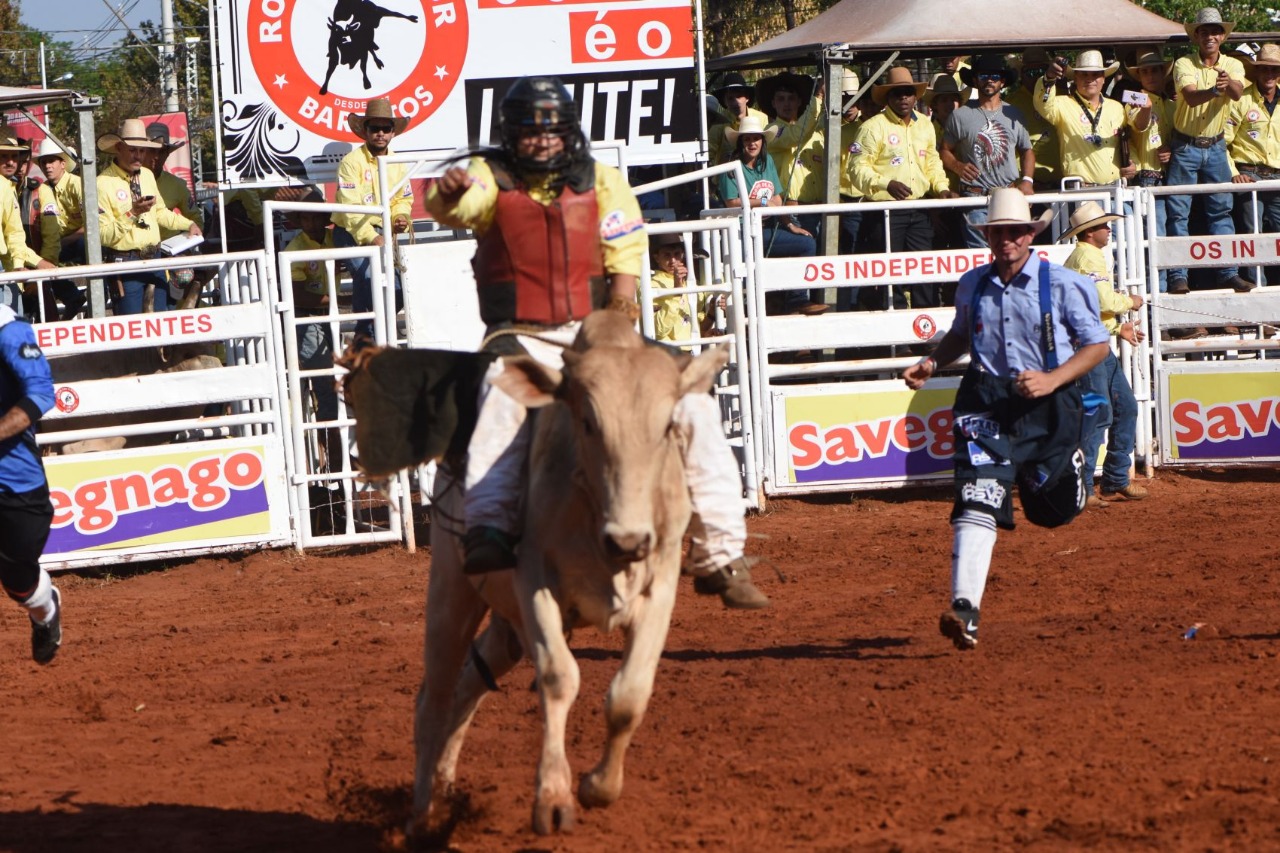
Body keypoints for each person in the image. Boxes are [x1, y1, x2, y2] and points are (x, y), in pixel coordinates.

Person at [425, 76, 769, 609]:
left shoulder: (601, 180)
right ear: (510, 133)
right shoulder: (485, 177)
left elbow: (625, 250)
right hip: (518, 337)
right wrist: (448, 194)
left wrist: (619, 328)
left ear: (567, 132)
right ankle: (488, 529)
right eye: (530, 130)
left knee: (690, 402)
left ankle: (719, 552)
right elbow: (456, 206)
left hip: (596, 332)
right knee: (500, 403)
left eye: (551, 129)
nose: (542, 140)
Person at [901, 188, 1109, 651]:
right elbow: (960, 334)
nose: (1007, 240)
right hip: (985, 401)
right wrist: (933, 363)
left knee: (1052, 512)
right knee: (976, 497)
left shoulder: (1062, 284)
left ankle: (1064, 466)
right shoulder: (973, 284)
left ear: (1030, 235)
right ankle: (965, 608)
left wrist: (1053, 380)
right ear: (988, 237)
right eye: (998, 232)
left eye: (1015, 231)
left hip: (1047, 403)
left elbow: (1097, 345)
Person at [1060, 201, 1148, 505]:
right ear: (1089, 233)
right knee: (1102, 414)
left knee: (1124, 408)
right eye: (1102, 226)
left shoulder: (1086, 256)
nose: (1108, 229)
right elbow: (1098, 300)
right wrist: (1128, 302)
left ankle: (1113, 480)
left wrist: (1115, 329)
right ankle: (1085, 487)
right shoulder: (1088, 257)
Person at [849, 66, 956, 309]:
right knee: (889, 271)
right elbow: (856, 169)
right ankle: (897, 334)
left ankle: (925, 329)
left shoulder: (925, 126)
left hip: (920, 208)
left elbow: (932, 163)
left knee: (924, 269)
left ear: (915, 96)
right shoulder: (872, 127)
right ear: (888, 98)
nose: (904, 98)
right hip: (884, 211)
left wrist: (941, 188)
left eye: (908, 93)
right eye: (897, 94)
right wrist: (886, 184)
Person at [1165, 7, 1252, 295]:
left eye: (1215, 31)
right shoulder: (1183, 63)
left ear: (1222, 36)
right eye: (1205, 31)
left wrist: (1228, 87)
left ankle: (1227, 273)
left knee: (1220, 211)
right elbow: (1189, 98)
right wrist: (1218, 90)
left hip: (1214, 145)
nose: (1210, 36)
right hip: (1187, 145)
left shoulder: (1232, 64)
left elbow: (1239, 93)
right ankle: (1179, 275)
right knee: (1180, 213)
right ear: (1197, 37)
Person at [0, 300, 62, 663]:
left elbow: (41, 392)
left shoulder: (7, 327)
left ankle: (45, 612)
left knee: (19, 580)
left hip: (15, 482)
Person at [718, 114, 822, 315]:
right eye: (747, 139)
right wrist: (764, 202)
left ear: (762, 141)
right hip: (741, 233)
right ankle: (759, 307)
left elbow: (777, 197)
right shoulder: (731, 167)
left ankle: (798, 300)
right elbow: (732, 202)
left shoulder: (768, 163)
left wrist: (790, 224)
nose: (752, 143)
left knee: (807, 243)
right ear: (740, 142)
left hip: (765, 229)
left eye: (756, 138)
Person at [96, 118, 202, 315]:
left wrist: (188, 224)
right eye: (133, 149)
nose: (139, 156)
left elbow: (160, 212)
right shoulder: (102, 183)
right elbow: (102, 235)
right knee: (133, 328)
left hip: (155, 259)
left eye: (142, 150)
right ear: (119, 148)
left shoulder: (146, 175)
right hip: (125, 264)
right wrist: (132, 213)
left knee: (163, 323)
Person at [332, 97, 414, 342]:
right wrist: (372, 236)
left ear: (392, 133)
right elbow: (349, 209)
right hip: (350, 231)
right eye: (374, 128)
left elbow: (403, 198)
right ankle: (368, 334)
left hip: (383, 232)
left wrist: (401, 217)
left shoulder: (397, 163)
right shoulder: (351, 162)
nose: (380, 133)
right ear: (365, 131)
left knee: (399, 289)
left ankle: (370, 332)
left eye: (385, 129)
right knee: (368, 277)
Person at [942, 54, 1035, 248]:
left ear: (1002, 81)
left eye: (994, 76)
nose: (989, 80)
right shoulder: (959, 116)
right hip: (975, 198)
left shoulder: (1014, 114)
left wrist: (1027, 181)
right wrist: (956, 165)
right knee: (982, 259)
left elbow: (1027, 150)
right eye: (984, 76)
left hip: (1008, 194)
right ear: (975, 80)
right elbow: (944, 150)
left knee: (1010, 251)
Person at [284, 188, 341, 472]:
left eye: (316, 217)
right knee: (325, 389)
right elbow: (296, 296)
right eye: (307, 218)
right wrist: (337, 301)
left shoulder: (331, 240)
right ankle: (332, 463)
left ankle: (330, 462)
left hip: (322, 320)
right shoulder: (295, 249)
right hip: (308, 319)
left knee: (326, 389)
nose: (312, 223)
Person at [1037, 50, 1144, 189]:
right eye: (1084, 74)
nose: (1090, 79)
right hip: (1081, 192)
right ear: (1075, 77)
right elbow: (1042, 104)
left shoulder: (1116, 107)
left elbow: (1126, 140)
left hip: (1117, 190)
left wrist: (1133, 163)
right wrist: (1049, 78)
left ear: (1104, 78)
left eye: (1095, 74)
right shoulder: (1062, 104)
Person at [1227, 43, 1280, 286]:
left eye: (1274, 70)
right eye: (1264, 69)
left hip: (1278, 176)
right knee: (1252, 235)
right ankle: (1258, 293)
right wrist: (1234, 171)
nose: (1269, 75)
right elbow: (1223, 140)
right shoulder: (1241, 99)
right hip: (1250, 174)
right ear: (1256, 71)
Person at [1125, 51, 1175, 292]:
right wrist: (1146, 108)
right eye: (1145, 71)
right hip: (1148, 178)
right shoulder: (1134, 101)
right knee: (1154, 239)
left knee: (1171, 236)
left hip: (1172, 177)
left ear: (1163, 73)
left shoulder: (1172, 104)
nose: (1150, 74)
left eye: (1154, 69)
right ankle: (1159, 296)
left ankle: (1173, 287)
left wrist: (1171, 151)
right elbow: (1140, 124)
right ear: (1139, 76)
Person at [34, 139, 86, 321]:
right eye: (43, 162)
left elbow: (95, 225)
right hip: (60, 242)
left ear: (63, 164)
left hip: (81, 241)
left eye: (51, 161)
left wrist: (65, 240)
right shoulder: (43, 189)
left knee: (89, 251)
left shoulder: (77, 184)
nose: (47, 166)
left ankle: (96, 295)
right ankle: (72, 296)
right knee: (38, 260)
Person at [1007, 48, 1062, 192]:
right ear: (1021, 75)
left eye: (1040, 72)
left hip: (1061, 185)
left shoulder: (1061, 98)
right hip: (1027, 187)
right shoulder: (1010, 105)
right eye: (1030, 73)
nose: (1035, 77)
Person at [647, 232, 711, 343]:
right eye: (667, 255)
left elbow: (695, 326)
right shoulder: (652, 285)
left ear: (682, 255)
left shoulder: (692, 284)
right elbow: (658, 329)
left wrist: (712, 315)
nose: (673, 261)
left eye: (676, 254)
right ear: (657, 258)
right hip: (666, 353)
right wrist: (677, 289)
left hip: (691, 350)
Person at [144, 124, 204, 240]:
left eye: (161, 152)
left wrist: (187, 242)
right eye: (152, 150)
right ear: (143, 151)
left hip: (168, 250)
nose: (156, 156)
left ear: (167, 154)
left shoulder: (177, 185)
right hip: (135, 250)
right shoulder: (127, 180)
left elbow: (196, 219)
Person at [707, 73, 767, 168]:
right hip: (727, 175)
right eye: (730, 98)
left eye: (739, 96)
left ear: (747, 98)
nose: (735, 102)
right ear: (725, 101)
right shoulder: (719, 122)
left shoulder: (761, 118)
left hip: (755, 173)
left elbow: (767, 149)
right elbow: (708, 153)